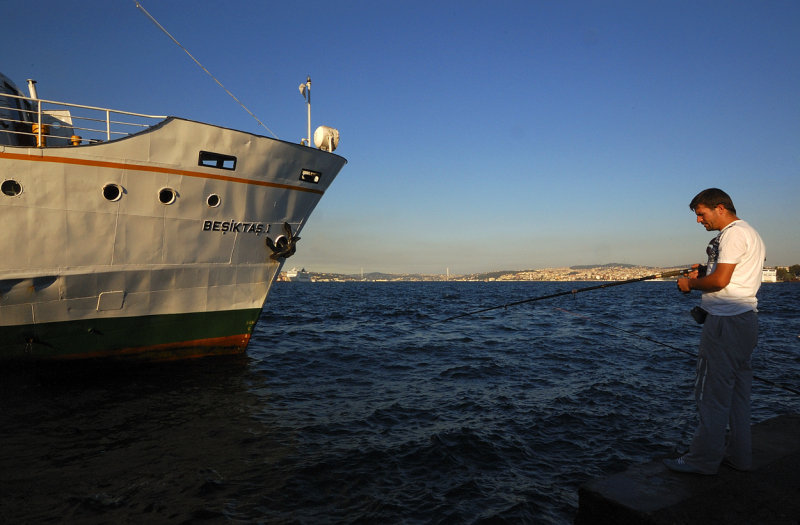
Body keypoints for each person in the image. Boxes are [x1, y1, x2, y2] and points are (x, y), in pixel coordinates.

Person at [664, 188, 766, 475]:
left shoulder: (733, 234)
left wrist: (690, 285)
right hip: (745, 321)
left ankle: (702, 460)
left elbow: (721, 280)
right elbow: (728, 274)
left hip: (725, 323)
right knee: (738, 395)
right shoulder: (749, 232)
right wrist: (703, 271)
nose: (698, 220)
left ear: (720, 208)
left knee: (712, 394)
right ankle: (739, 457)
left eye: (701, 214)